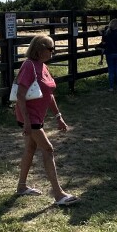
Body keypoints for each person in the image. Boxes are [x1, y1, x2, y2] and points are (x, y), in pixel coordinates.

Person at [13, 35, 79, 206]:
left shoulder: (42, 66)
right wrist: (27, 121)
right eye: (51, 49)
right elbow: (20, 95)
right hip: (29, 116)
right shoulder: (29, 66)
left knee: (30, 148)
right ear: (40, 49)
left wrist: (59, 116)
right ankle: (58, 194)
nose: (53, 52)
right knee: (48, 150)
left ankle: (21, 187)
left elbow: (49, 95)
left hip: (36, 116)